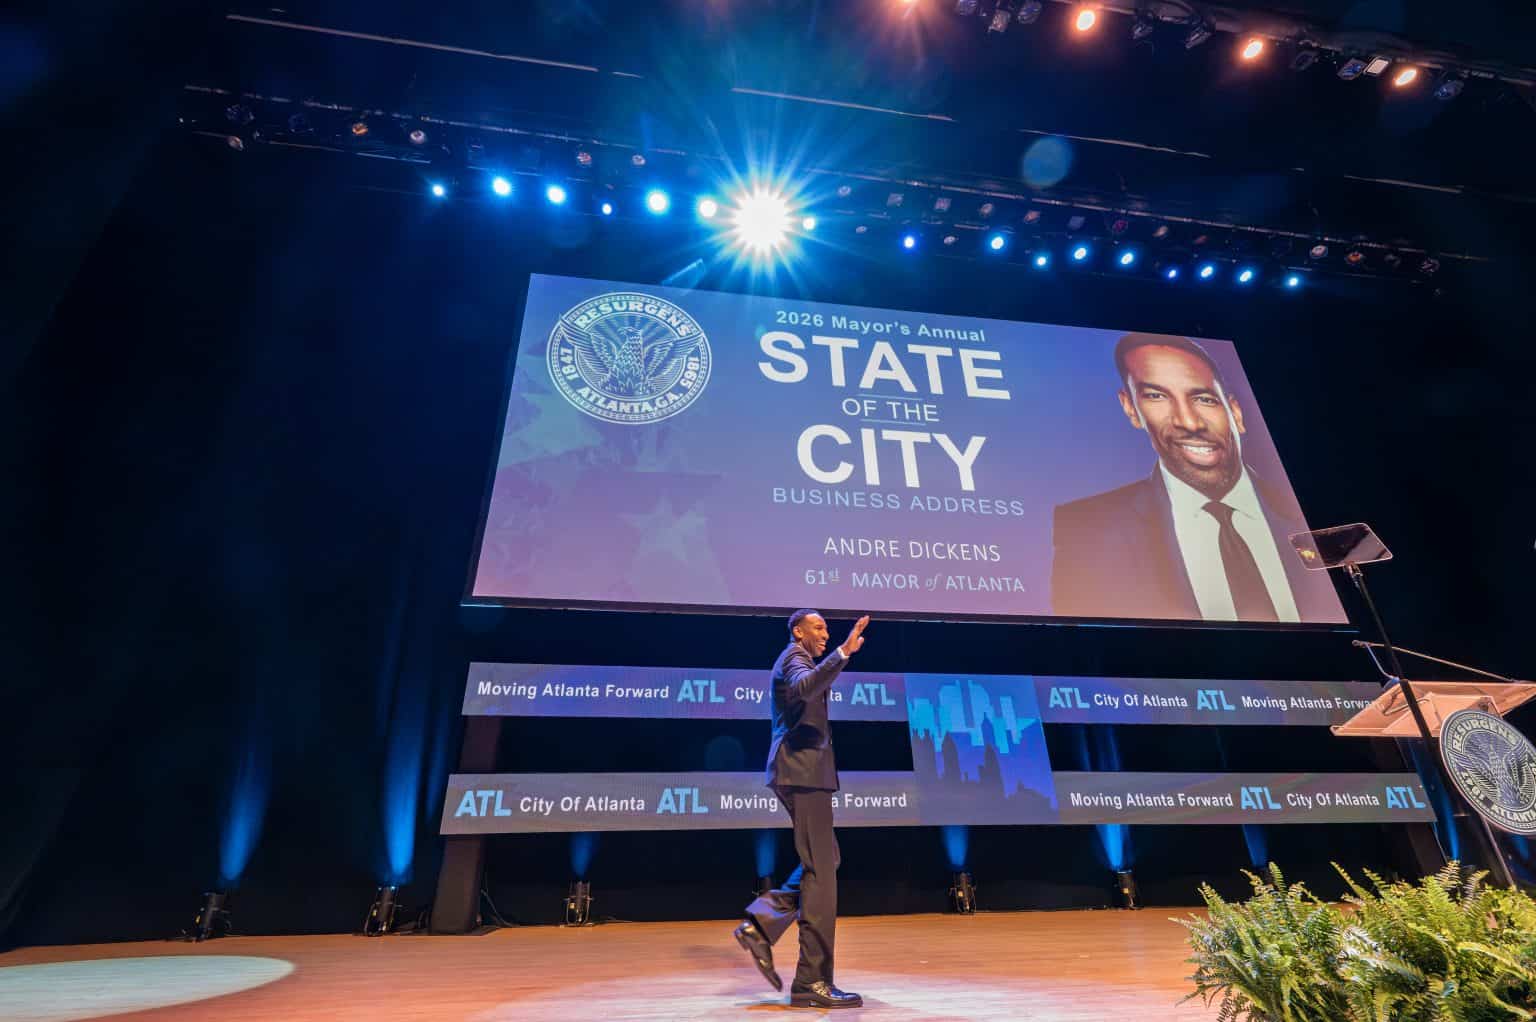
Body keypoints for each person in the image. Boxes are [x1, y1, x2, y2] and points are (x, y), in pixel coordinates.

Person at [1050, 333, 1340, 623]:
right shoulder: (1089, 531)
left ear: (1236, 412)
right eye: (1156, 396)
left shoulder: (1311, 515)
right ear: (1131, 409)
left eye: (1204, 399)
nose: (1189, 422)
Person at [733, 610, 870, 1009]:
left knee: (825, 861)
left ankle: (761, 925)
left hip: (804, 772)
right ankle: (812, 981)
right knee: (821, 874)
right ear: (798, 631)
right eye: (818, 628)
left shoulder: (802, 659)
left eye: (827, 629)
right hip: (802, 772)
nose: (825, 634)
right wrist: (843, 652)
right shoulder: (794, 657)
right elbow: (805, 687)